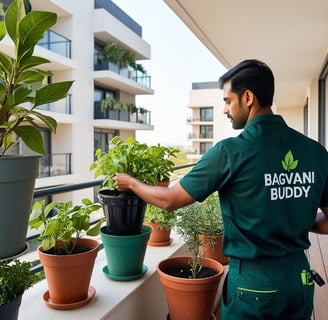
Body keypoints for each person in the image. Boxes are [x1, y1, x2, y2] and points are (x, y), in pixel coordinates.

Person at [113, 59, 328, 319]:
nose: (225, 110)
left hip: (253, 285)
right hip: (299, 278)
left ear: (248, 98)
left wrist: (131, 183)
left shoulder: (230, 152)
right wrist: (299, 220)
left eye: (228, 101)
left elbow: (171, 199)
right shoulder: (315, 152)